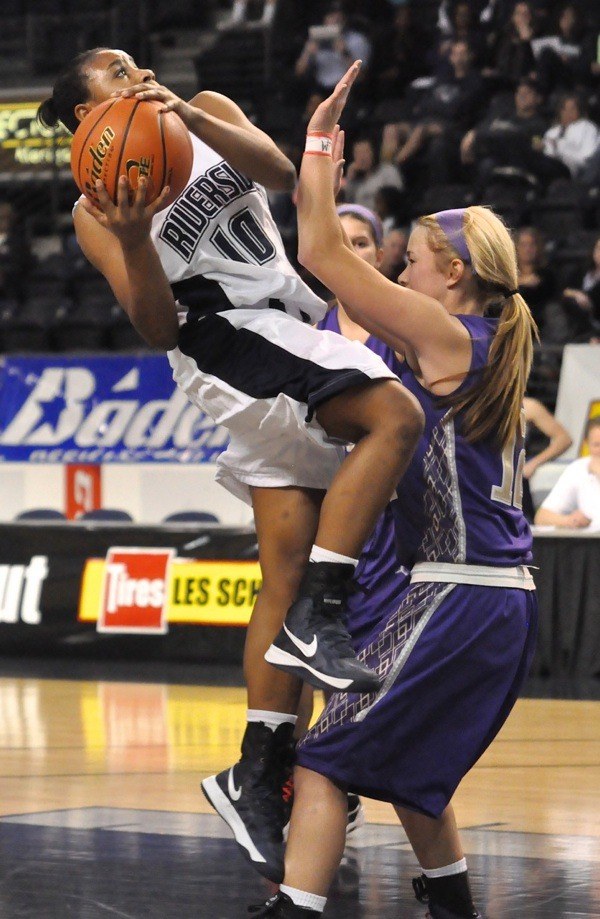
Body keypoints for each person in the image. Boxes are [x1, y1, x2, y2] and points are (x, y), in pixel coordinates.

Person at [37, 48, 424, 884]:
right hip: (225, 339)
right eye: (113, 71)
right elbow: (155, 326)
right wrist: (136, 237)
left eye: (132, 61)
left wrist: (194, 114)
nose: (133, 71)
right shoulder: (94, 205)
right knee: (393, 413)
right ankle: (326, 616)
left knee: (283, 566)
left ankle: (256, 768)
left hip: (295, 318)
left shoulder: (198, 107)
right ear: (86, 119)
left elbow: (280, 170)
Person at [249, 63, 538, 919]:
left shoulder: (450, 334)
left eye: (411, 264)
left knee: (326, 753)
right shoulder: (478, 343)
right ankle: (452, 907)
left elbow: (322, 252)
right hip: (497, 599)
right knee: (413, 773)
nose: (402, 279)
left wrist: (322, 138)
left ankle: (296, 906)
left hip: (456, 592)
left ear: (452, 273)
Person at [534, 417, 600, 530]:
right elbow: (542, 517)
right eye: (597, 445)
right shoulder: (579, 469)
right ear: (587, 444)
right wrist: (570, 520)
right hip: (591, 545)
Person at [522, 395, 572, 521]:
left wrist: (533, 463)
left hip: (514, 482)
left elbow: (563, 439)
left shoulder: (527, 406)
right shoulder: (475, 404)